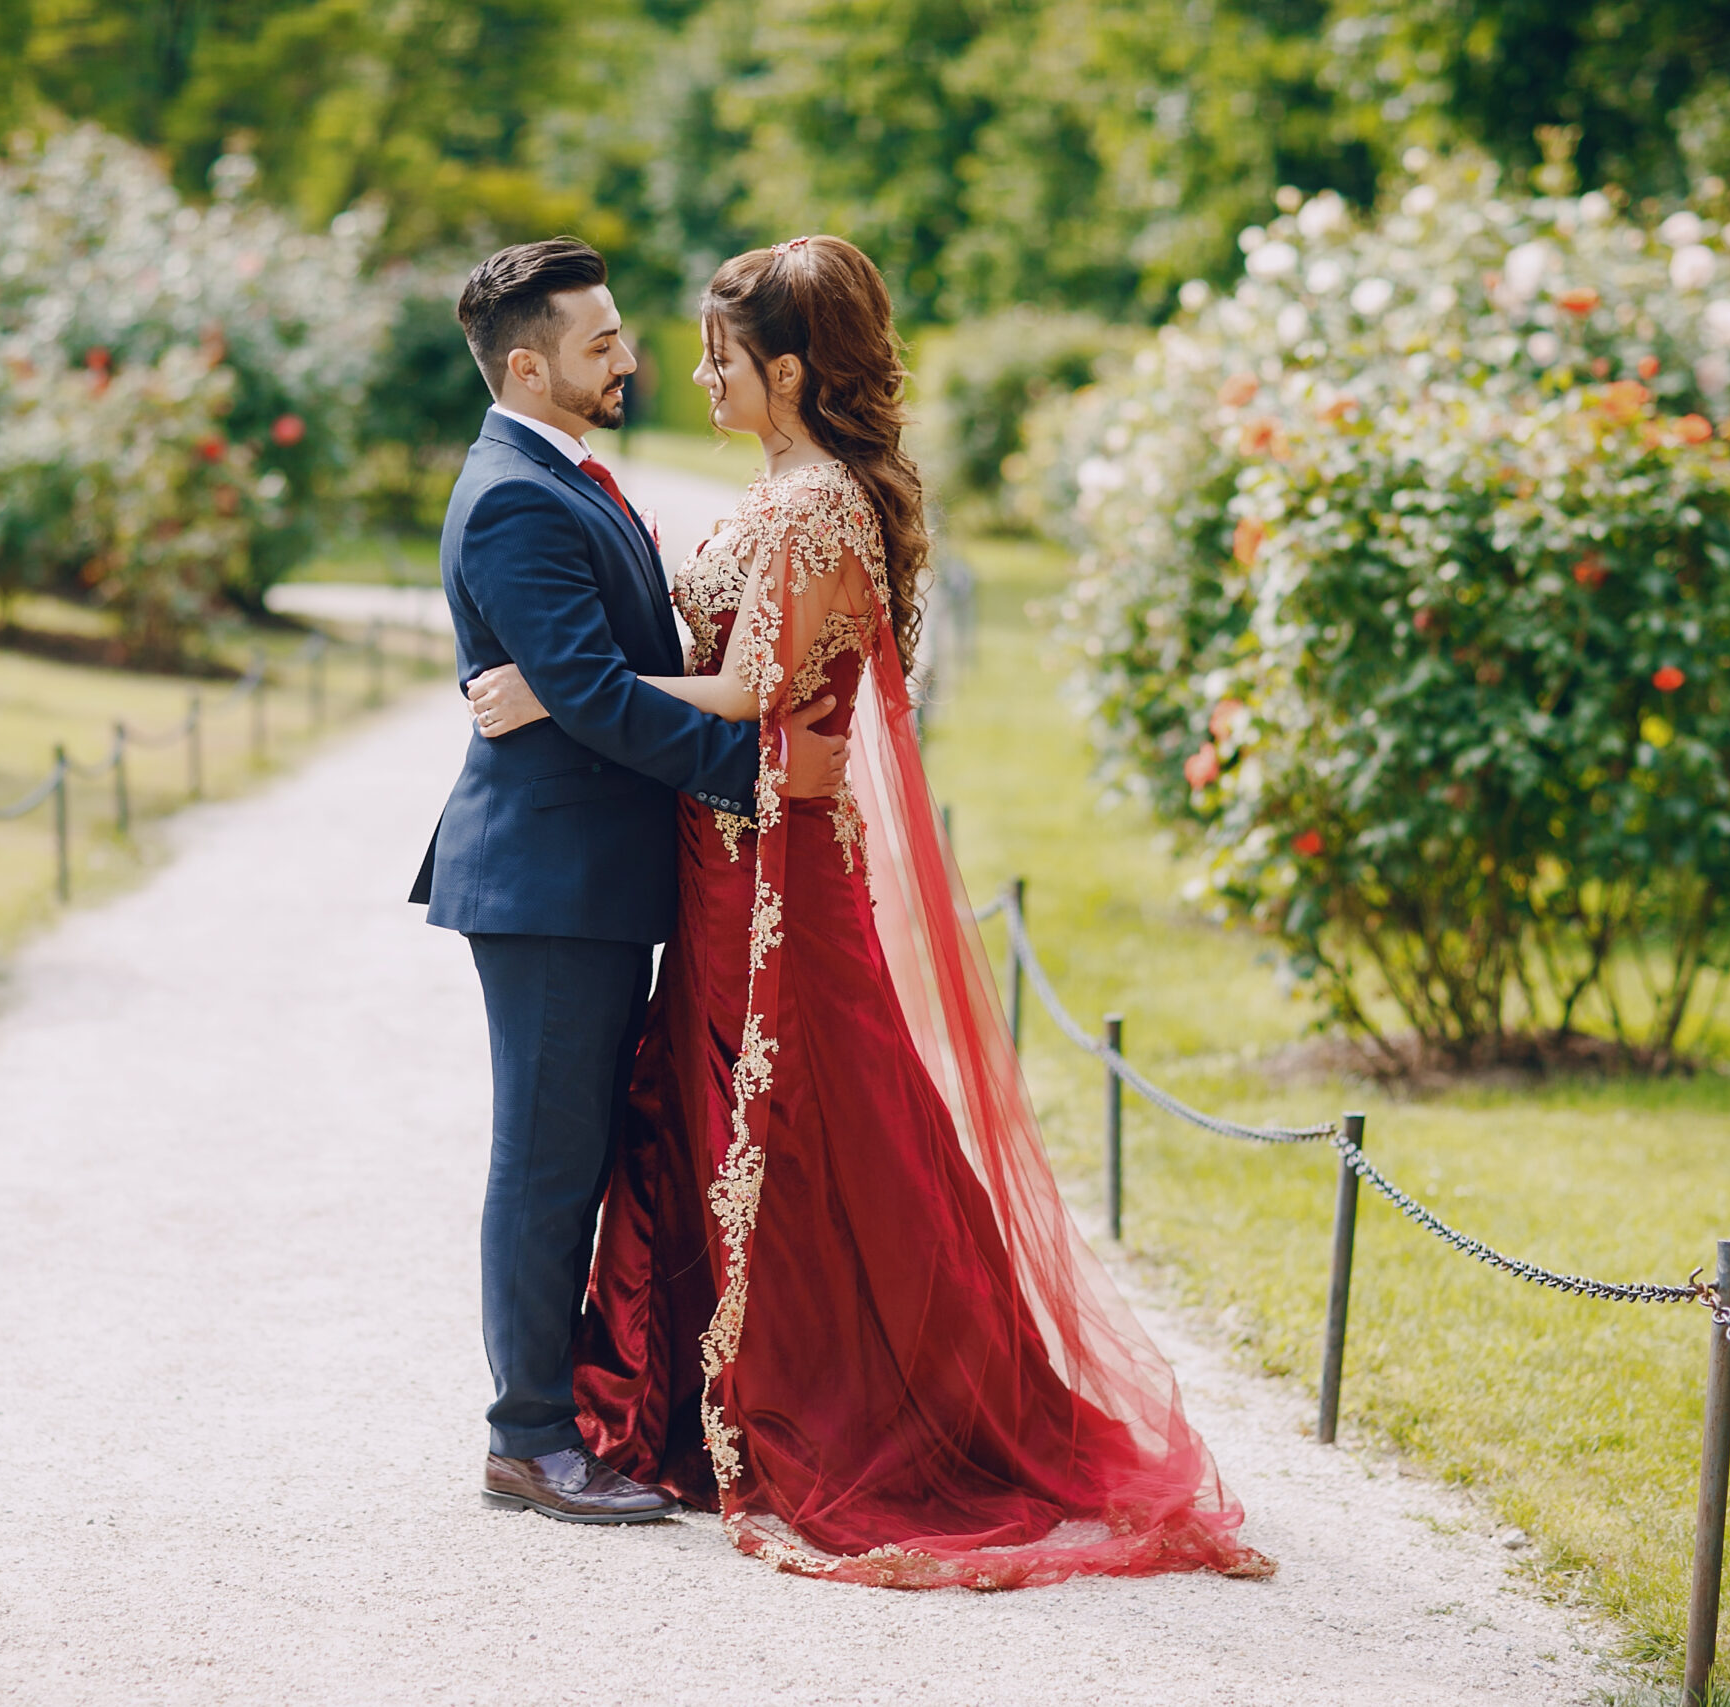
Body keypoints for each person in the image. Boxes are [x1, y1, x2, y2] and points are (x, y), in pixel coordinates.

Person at [461, 235, 1274, 1587]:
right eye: (629, 344)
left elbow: (746, 693)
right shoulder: (754, 490)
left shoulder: (813, 504)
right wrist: (586, 688)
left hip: (768, 864)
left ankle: (828, 1403)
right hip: (716, 856)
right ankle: (605, 1416)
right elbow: (712, 678)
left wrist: (559, 686)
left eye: (718, 354)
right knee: (707, 1122)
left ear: (786, 371)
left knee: (812, 1119)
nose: (681, 370)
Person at [410, 238, 853, 1524]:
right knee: (547, 1160)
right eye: (600, 343)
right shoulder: (514, 496)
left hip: (593, 877)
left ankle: (574, 1415)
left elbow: (589, 677)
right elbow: (599, 699)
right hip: (550, 883)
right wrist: (764, 774)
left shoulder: (562, 472)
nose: (629, 358)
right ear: (528, 366)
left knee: (583, 1148)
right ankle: (527, 1438)